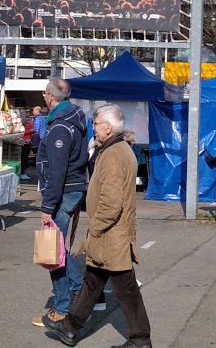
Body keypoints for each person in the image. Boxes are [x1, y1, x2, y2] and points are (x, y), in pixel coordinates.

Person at [43, 104, 151, 348]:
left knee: (126, 289)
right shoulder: (117, 149)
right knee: (93, 281)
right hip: (110, 234)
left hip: (112, 235)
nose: (93, 127)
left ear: (109, 127)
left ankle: (141, 340)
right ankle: (70, 328)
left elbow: (111, 204)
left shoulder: (114, 154)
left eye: (96, 123)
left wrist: (94, 230)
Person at [33, 78, 88, 327]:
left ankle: (62, 308)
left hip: (64, 192)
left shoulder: (59, 127)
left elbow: (57, 171)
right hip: (73, 190)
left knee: (53, 251)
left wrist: (47, 206)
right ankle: (80, 289)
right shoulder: (74, 119)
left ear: (49, 96)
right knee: (59, 250)